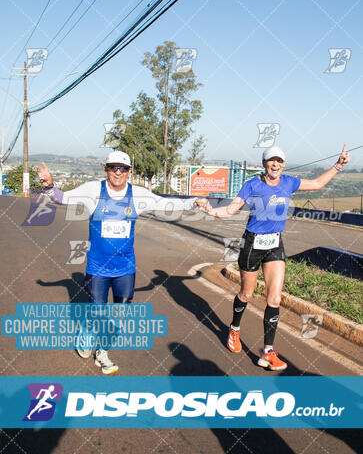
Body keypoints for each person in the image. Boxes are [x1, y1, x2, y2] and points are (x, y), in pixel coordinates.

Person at [37, 151, 194, 375]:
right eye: (113, 167)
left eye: (123, 168)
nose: (118, 172)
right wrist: (50, 185)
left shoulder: (138, 194)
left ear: (129, 172)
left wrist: (195, 203)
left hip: (125, 269)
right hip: (97, 268)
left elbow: (166, 204)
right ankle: (87, 331)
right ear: (106, 169)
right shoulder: (93, 190)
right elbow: (62, 198)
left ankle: (102, 352)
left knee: (120, 316)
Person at [196, 144, 350, 371]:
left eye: (279, 161)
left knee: (274, 299)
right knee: (247, 294)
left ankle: (268, 352)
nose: (275, 164)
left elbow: (317, 183)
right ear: (264, 164)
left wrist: (338, 166)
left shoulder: (289, 182)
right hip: (252, 244)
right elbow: (231, 210)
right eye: (271, 161)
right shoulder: (252, 184)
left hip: (275, 244)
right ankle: (235, 328)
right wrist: (209, 210)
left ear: (284, 164)